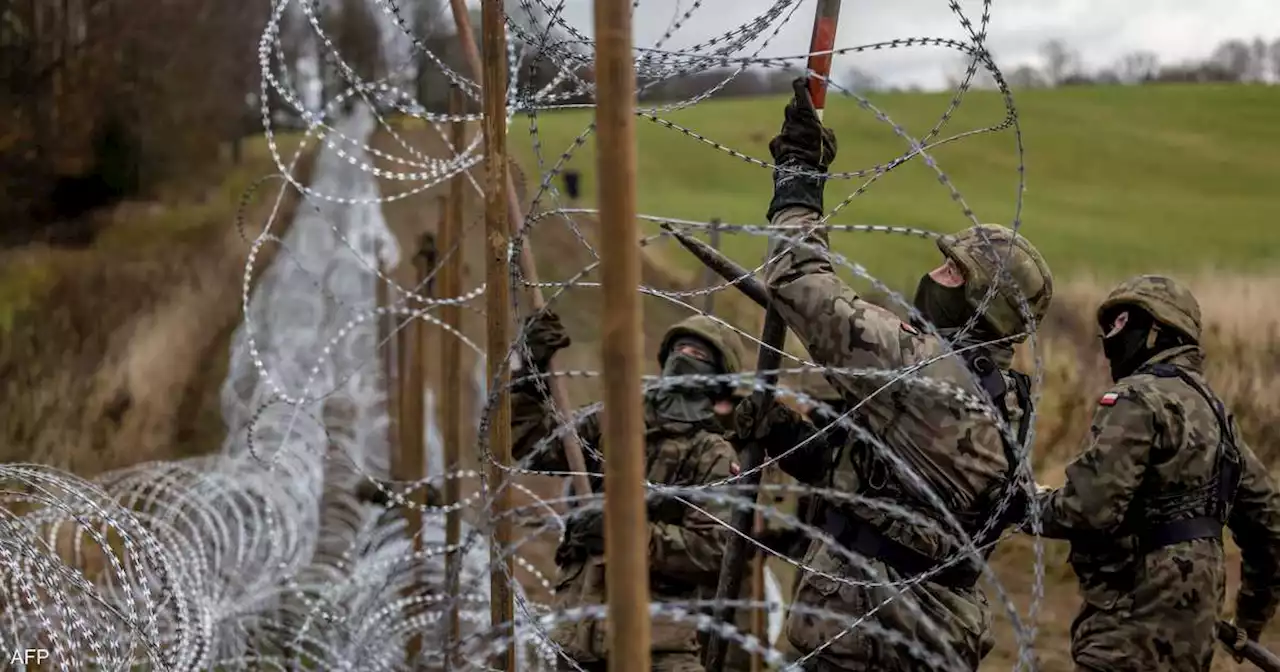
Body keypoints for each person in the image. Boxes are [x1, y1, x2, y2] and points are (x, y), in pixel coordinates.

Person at [738, 77, 1054, 670]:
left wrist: (799, 182)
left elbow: (800, 284)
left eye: (953, 273)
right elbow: (899, 495)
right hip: (909, 636)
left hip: (870, 637)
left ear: (986, 307)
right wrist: (790, 438)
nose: (935, 276)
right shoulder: (1005, 397)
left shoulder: (927, 371)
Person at [1031, 274, 1280, 672]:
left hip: (1129, 624)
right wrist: (1250, 617)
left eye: (1121, 323)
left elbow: (1088, 508)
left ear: (1157, 331)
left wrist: (1027, 505)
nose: (1110, 337)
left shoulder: (1136, 398)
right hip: (1194, 630)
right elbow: (1269, 524)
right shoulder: (1216, 414)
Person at [511, 310, 746, 671]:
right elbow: (530, 444)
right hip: (580, 644)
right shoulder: (615, 418)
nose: (686, 360)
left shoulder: (711, 453)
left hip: (658, 650)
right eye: (681, 350)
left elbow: (712, 549)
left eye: (700, 358)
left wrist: (618, 532)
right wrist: (530, 373)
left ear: (718, 381)